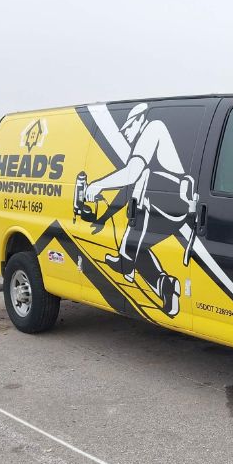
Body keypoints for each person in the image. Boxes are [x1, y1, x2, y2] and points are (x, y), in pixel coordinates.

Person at [84, 103, 196, 317]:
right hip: (168, 206)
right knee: (139, 249)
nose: (125, 133)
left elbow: (132, 173)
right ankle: (166, 285)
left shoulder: (153, 128)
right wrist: (105, 216)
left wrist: (97, 184)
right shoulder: (146, 140)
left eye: (127, 128)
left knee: (142, 182)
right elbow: (126, 186)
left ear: (139, 121)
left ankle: (126, 261)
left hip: (167, 201)